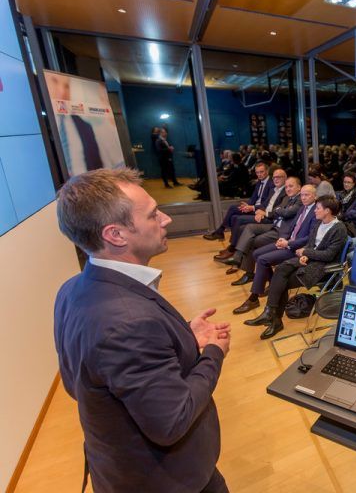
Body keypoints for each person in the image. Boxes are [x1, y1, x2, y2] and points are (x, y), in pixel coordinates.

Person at [54, 168, 231, 492]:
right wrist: (213, 354)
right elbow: (173, 421)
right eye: (153, 215)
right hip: (169, 481)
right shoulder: (129, 323)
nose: (165, 219)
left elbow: (74, 383)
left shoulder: (71, 290)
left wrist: (182, 340)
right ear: (116, 235)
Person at [245, 196, 347, 339]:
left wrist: (306, 252)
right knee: (280, 270)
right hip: (311, 260)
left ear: (327, 211)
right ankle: (271, 314)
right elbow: (312, 244)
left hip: (322, 267)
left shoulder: (339, 229)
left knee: (282, 281)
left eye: (318, 208)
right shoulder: (319, 223)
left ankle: (273, 318)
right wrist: (307, 254)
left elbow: (329, 255)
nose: (315, 211)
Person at [204, 162, 274, 241]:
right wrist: (247, 205)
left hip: (261, 211)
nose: (259, 174)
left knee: (233, 209)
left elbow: (267, 203)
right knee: (234, 215)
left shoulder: (271, 184)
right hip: (252, 207)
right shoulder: (259, 182)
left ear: (267, 171)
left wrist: (252, 207)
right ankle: (231, 241)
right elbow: (253, 198)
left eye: (261, 172)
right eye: (257, 172)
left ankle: (220, 232)